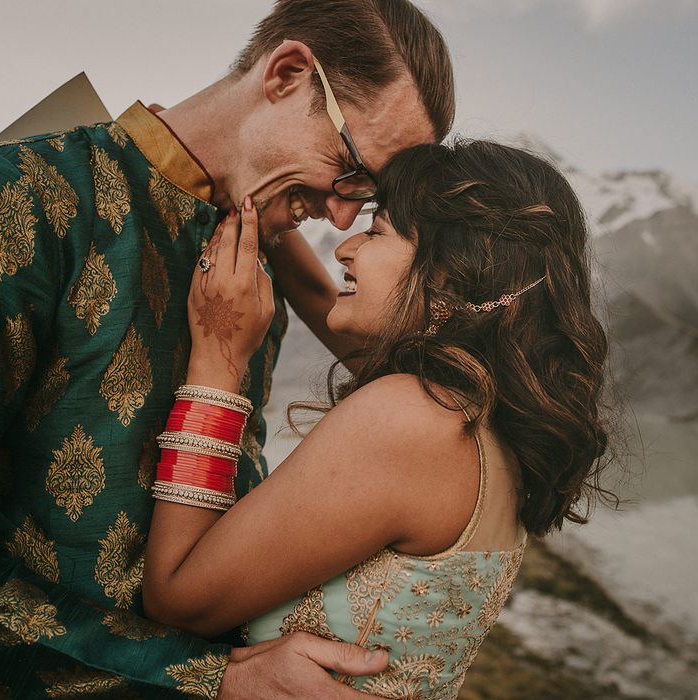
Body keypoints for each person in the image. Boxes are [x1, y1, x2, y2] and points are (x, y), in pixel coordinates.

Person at [0, 1, 455, 697]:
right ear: (287, 74)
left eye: (368, 199)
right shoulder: (1, 196)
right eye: (351, 170)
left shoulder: (253, 259)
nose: (340, 217)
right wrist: (204, 679)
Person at [141, 140, 612, 698]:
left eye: (379, 230)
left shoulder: (413, 418)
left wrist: (218, 356)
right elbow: (331, 299)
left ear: (452, 274)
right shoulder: (480, 419)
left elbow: (176, 600)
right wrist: (260, 204)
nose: (346, 248)